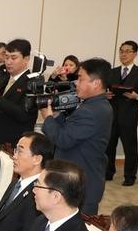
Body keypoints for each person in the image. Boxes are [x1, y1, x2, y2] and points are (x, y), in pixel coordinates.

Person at [41, 58, 113, 215]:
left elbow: (63, 140)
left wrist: (47, 118)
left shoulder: (92, 110)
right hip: (76, 179)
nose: (76, 83)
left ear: (96, 83)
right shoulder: (92, 105)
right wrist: (57, 115)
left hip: (82, 184)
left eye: (81, 78)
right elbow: (70, 130)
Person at [0, 39, 38, 148]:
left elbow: (24, 115)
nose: (8, 62)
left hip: (15, 143)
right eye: (7, 57)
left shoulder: (33, 82)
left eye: (14, 57)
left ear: (26, 59)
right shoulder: (4, 78)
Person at [106, 41, 138, 186]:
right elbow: (105, 90)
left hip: (129, 117)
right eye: (121, 51)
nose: (123, 54)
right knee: (109, 146)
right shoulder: (112, 72)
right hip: (111, 115)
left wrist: (136, 96)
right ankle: (108, 172)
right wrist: (105, 95)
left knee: (130, 148)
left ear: (135, 54)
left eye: (127, 51)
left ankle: (130, 177)